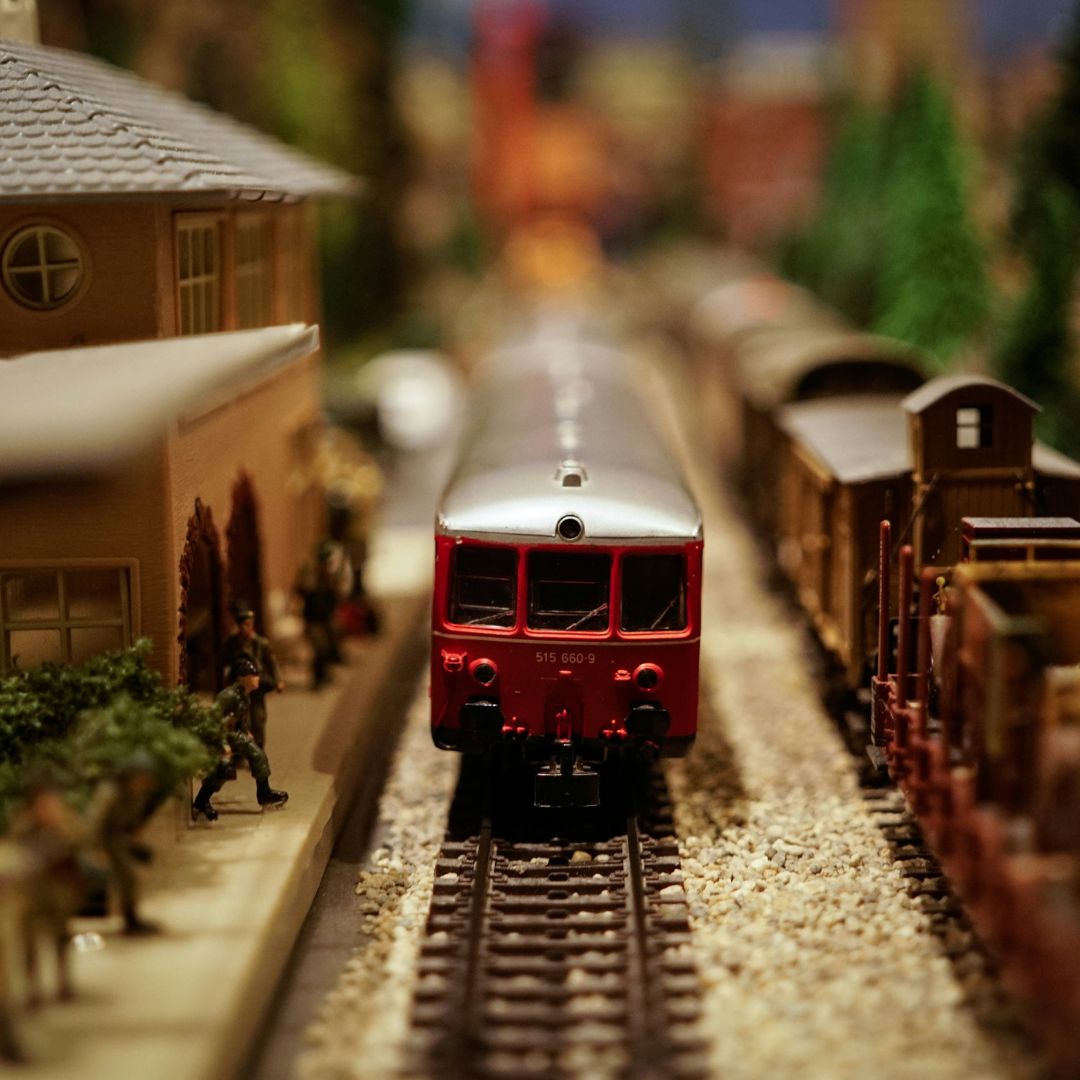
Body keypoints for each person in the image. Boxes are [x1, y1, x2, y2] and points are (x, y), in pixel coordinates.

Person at [192, 657, 288, 822]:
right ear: (242, 677)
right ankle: (201, 801)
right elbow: (215, 719)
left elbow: (241, 718)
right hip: (222, 736)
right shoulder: (227, 696)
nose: (257, 678)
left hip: (235, 735)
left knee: (257, 755)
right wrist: (222, 744)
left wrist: (245, 731)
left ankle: (264, 793)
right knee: (220, 771)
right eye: (254, 675)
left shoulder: (245, 696)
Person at [85, 751, 160, 936]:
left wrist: (136, 844)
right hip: (103, 837)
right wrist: (96, 850)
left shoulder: (136, 794)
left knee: (130, 878)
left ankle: (131, 919)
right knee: (126, 877)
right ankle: (129, 921)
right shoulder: (110, 793)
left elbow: (133, 822)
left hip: (118, 837)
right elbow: (94, 823)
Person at [220, 603, 284, 749]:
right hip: (239, 686)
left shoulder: (260, 643)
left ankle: (258, 747)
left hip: (256, 685)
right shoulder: (231, 643)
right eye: (242, 625)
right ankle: (243, 750)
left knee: (258, 719)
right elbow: (223, 661)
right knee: (241, 719)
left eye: (248, 624)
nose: (245, 628)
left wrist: (279, 680)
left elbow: (272, 663)